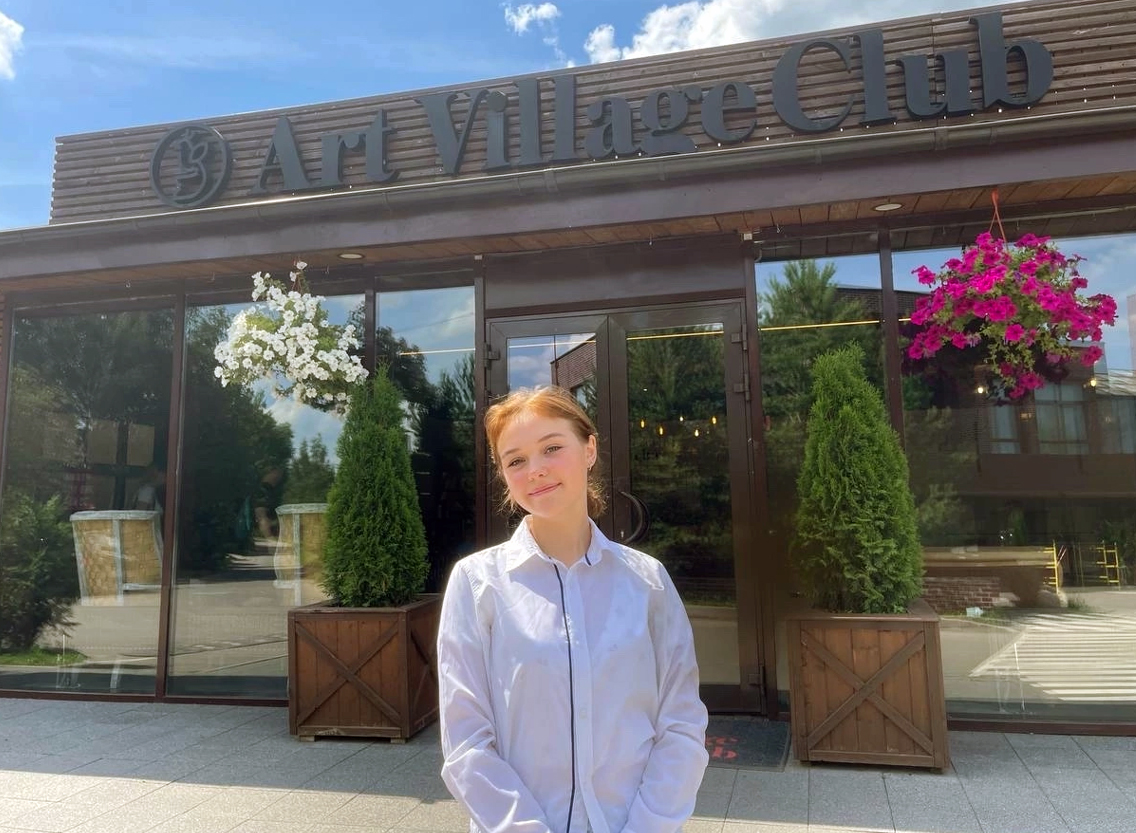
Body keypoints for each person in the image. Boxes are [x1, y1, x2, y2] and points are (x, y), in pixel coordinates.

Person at [437, 386, 709, 833]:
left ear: (590, 449)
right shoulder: (476, 583)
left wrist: (648, 826)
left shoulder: (647, 581)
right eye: (515, 460)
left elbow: (681, 722)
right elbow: (466, 742)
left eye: (552, 448)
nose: (536, 470)